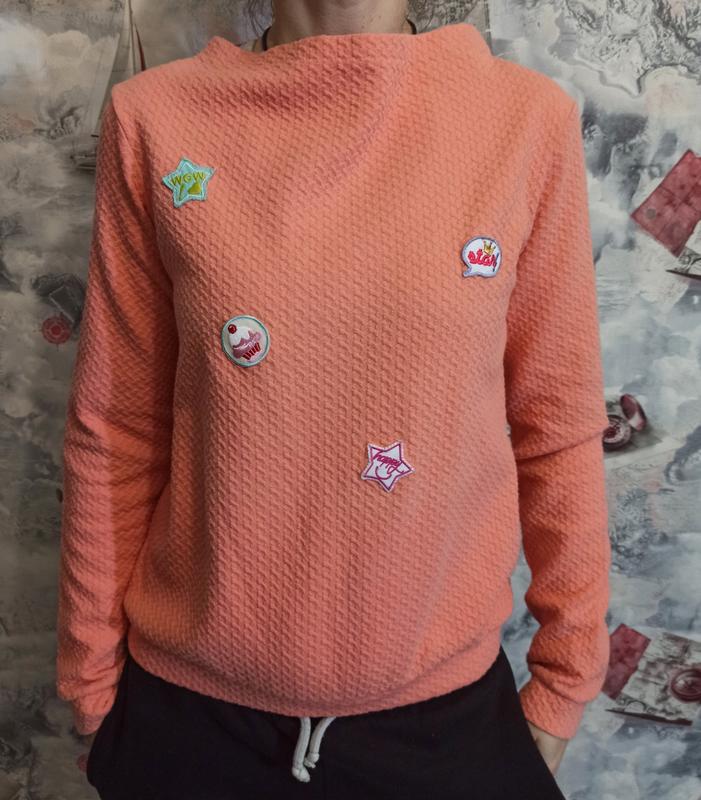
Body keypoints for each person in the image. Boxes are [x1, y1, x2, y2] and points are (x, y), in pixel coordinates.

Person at [55, 1, 612, 798]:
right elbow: (117, 426)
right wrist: (91, 680)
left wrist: (564, 680)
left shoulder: (523, 120)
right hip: (189, 721)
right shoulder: (157, 117)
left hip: (443, 726)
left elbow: (554, 422)